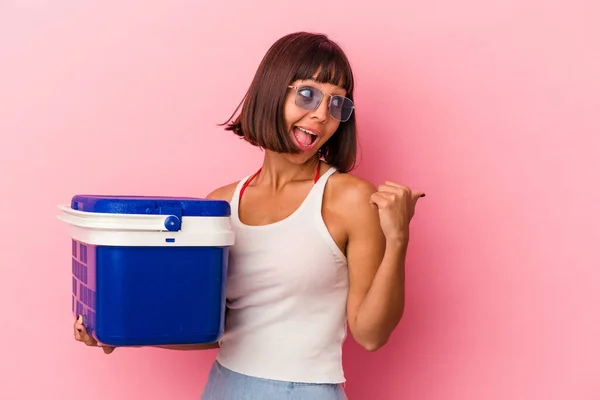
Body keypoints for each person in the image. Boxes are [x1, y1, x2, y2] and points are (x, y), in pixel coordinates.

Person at [74, 31, 424, 399]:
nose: (321, 114)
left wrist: (398, 238)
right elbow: (210, 329)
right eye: (308, 94)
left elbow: (371, 335)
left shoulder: (350, 199)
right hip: (225, 387)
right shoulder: (220, 205)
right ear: (274, 91)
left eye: (337, 104)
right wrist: (115, 335)